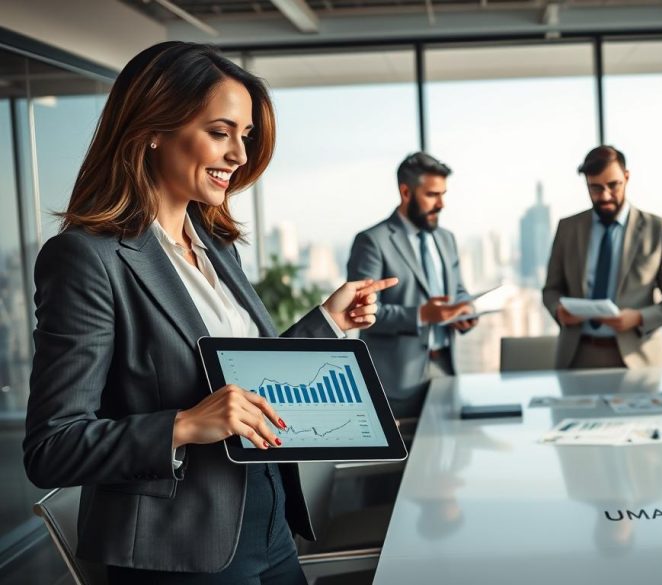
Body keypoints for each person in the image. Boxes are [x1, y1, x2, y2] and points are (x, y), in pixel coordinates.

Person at [22, 41, 397, 583]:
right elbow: (52, 447)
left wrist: (329, 321)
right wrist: (183, 425)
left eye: (243, 137)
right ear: (153, 128)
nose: (240, 156)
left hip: (269, 519)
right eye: (220, 133)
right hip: (181, 548)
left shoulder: (217, 248)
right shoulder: (86, 258)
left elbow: (243, 385)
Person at [347, 152, 475, 418]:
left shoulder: (446, 239)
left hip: (445, 369)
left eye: (443, 194)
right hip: (396, 381)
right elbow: (362, 313)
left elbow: (458, 290)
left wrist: (465, 311)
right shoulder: (372, 241)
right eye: (432, 195)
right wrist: (421, 315)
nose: (441, 204)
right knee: (407, 458)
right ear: (406, 192)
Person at [542, 145, 662, 369]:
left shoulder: (658, 230)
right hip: (577, 355)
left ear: (626, 177)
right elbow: (551, 290)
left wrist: (639, 318)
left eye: (613, 185)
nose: (605, 196)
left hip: (637, 358)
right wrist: (558, 311)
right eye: (595, 188)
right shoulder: (568, 228)